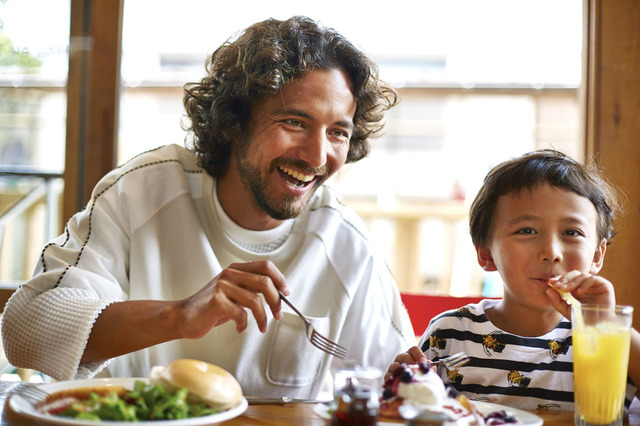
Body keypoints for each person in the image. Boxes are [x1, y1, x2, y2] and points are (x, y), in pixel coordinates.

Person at [1, 16, 415, 398]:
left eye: (337, 132)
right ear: (235, 121)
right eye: (295, 123)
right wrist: (179, 315)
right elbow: (25, 329)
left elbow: (399, 387)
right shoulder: (142, 191)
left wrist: (418, 380)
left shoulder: (346, 244)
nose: (317, 156)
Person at [385, 149, 639, 411]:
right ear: (486, 253)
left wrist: (606, 323)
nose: (551, 252)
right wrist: (400, 385)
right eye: (527, 231)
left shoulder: (605, 339)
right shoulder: (451, 333)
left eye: (571, 232)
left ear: (597, 255)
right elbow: (412, 408)